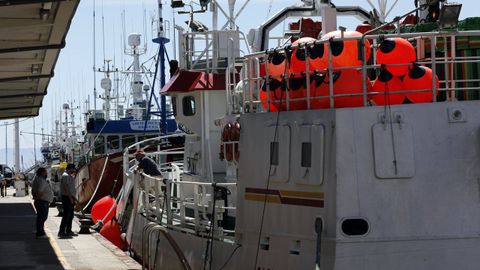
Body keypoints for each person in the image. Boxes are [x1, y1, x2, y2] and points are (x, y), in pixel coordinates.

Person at [31, 168, 53, 238]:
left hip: (40, 201)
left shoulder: (36, 179)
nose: (46, 174)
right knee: (42, 217)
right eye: (45, 172)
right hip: (42, 201)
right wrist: (38, 198)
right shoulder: (42, 181)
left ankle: (41, 232)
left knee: (41, 217)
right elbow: (40, 191)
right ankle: (40, 233)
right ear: (42, 173)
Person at [58, 164, 78, 238]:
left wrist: (73, 197)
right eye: (73, 169)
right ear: (70, 169)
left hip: (70, 197)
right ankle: (61, 231)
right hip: (67, 198)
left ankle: (68, 230)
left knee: (71, 215)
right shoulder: (65, 175)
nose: (74, 170)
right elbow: (66, 188)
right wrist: (70, 198)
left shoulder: (69, 176)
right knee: (66, 215)